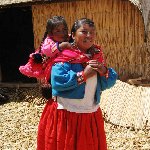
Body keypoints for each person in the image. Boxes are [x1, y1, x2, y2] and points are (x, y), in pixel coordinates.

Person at [37, 18, 118, 150]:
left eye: (92, 32)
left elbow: (106, 84)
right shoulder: (63, 55)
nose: (89, 36)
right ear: (73, 35)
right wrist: (83, 75)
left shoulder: (96, 56)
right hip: (67, 115)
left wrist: (103, 70)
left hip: (90, 113)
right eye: (84, 32)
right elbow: (58, 82)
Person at [19, 16, 71, 81]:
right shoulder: (48, 42)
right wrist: (60, 46)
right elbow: (48, 51)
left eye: (64, 29)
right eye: (58, 31)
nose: (62, 33)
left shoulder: (68, 38)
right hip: (52, 73)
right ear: (50, 33)